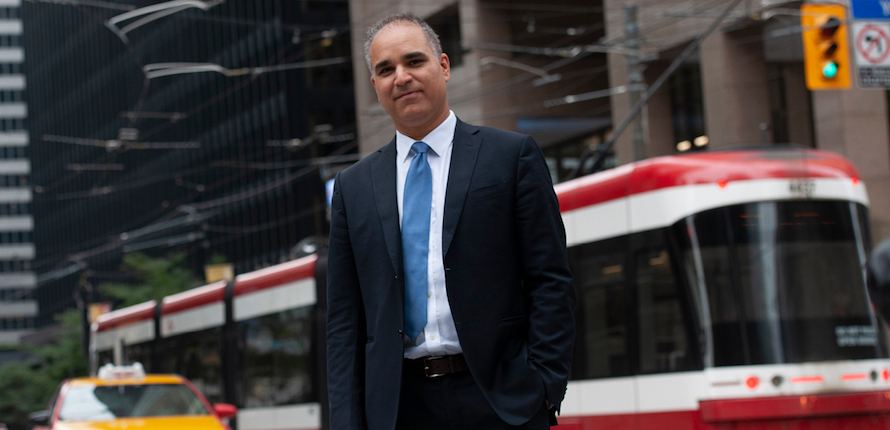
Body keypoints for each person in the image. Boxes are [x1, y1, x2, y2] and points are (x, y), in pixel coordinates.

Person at [326, 13, 575, 430]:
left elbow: (550, 280)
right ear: (375, 87)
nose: (401, 77)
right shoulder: (353, 188)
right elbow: (344, 320)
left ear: (443, 66)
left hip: (501, 402)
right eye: (385, 70)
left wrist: (545, 386)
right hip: (399, 408)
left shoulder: (510, 157)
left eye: (414, 61)